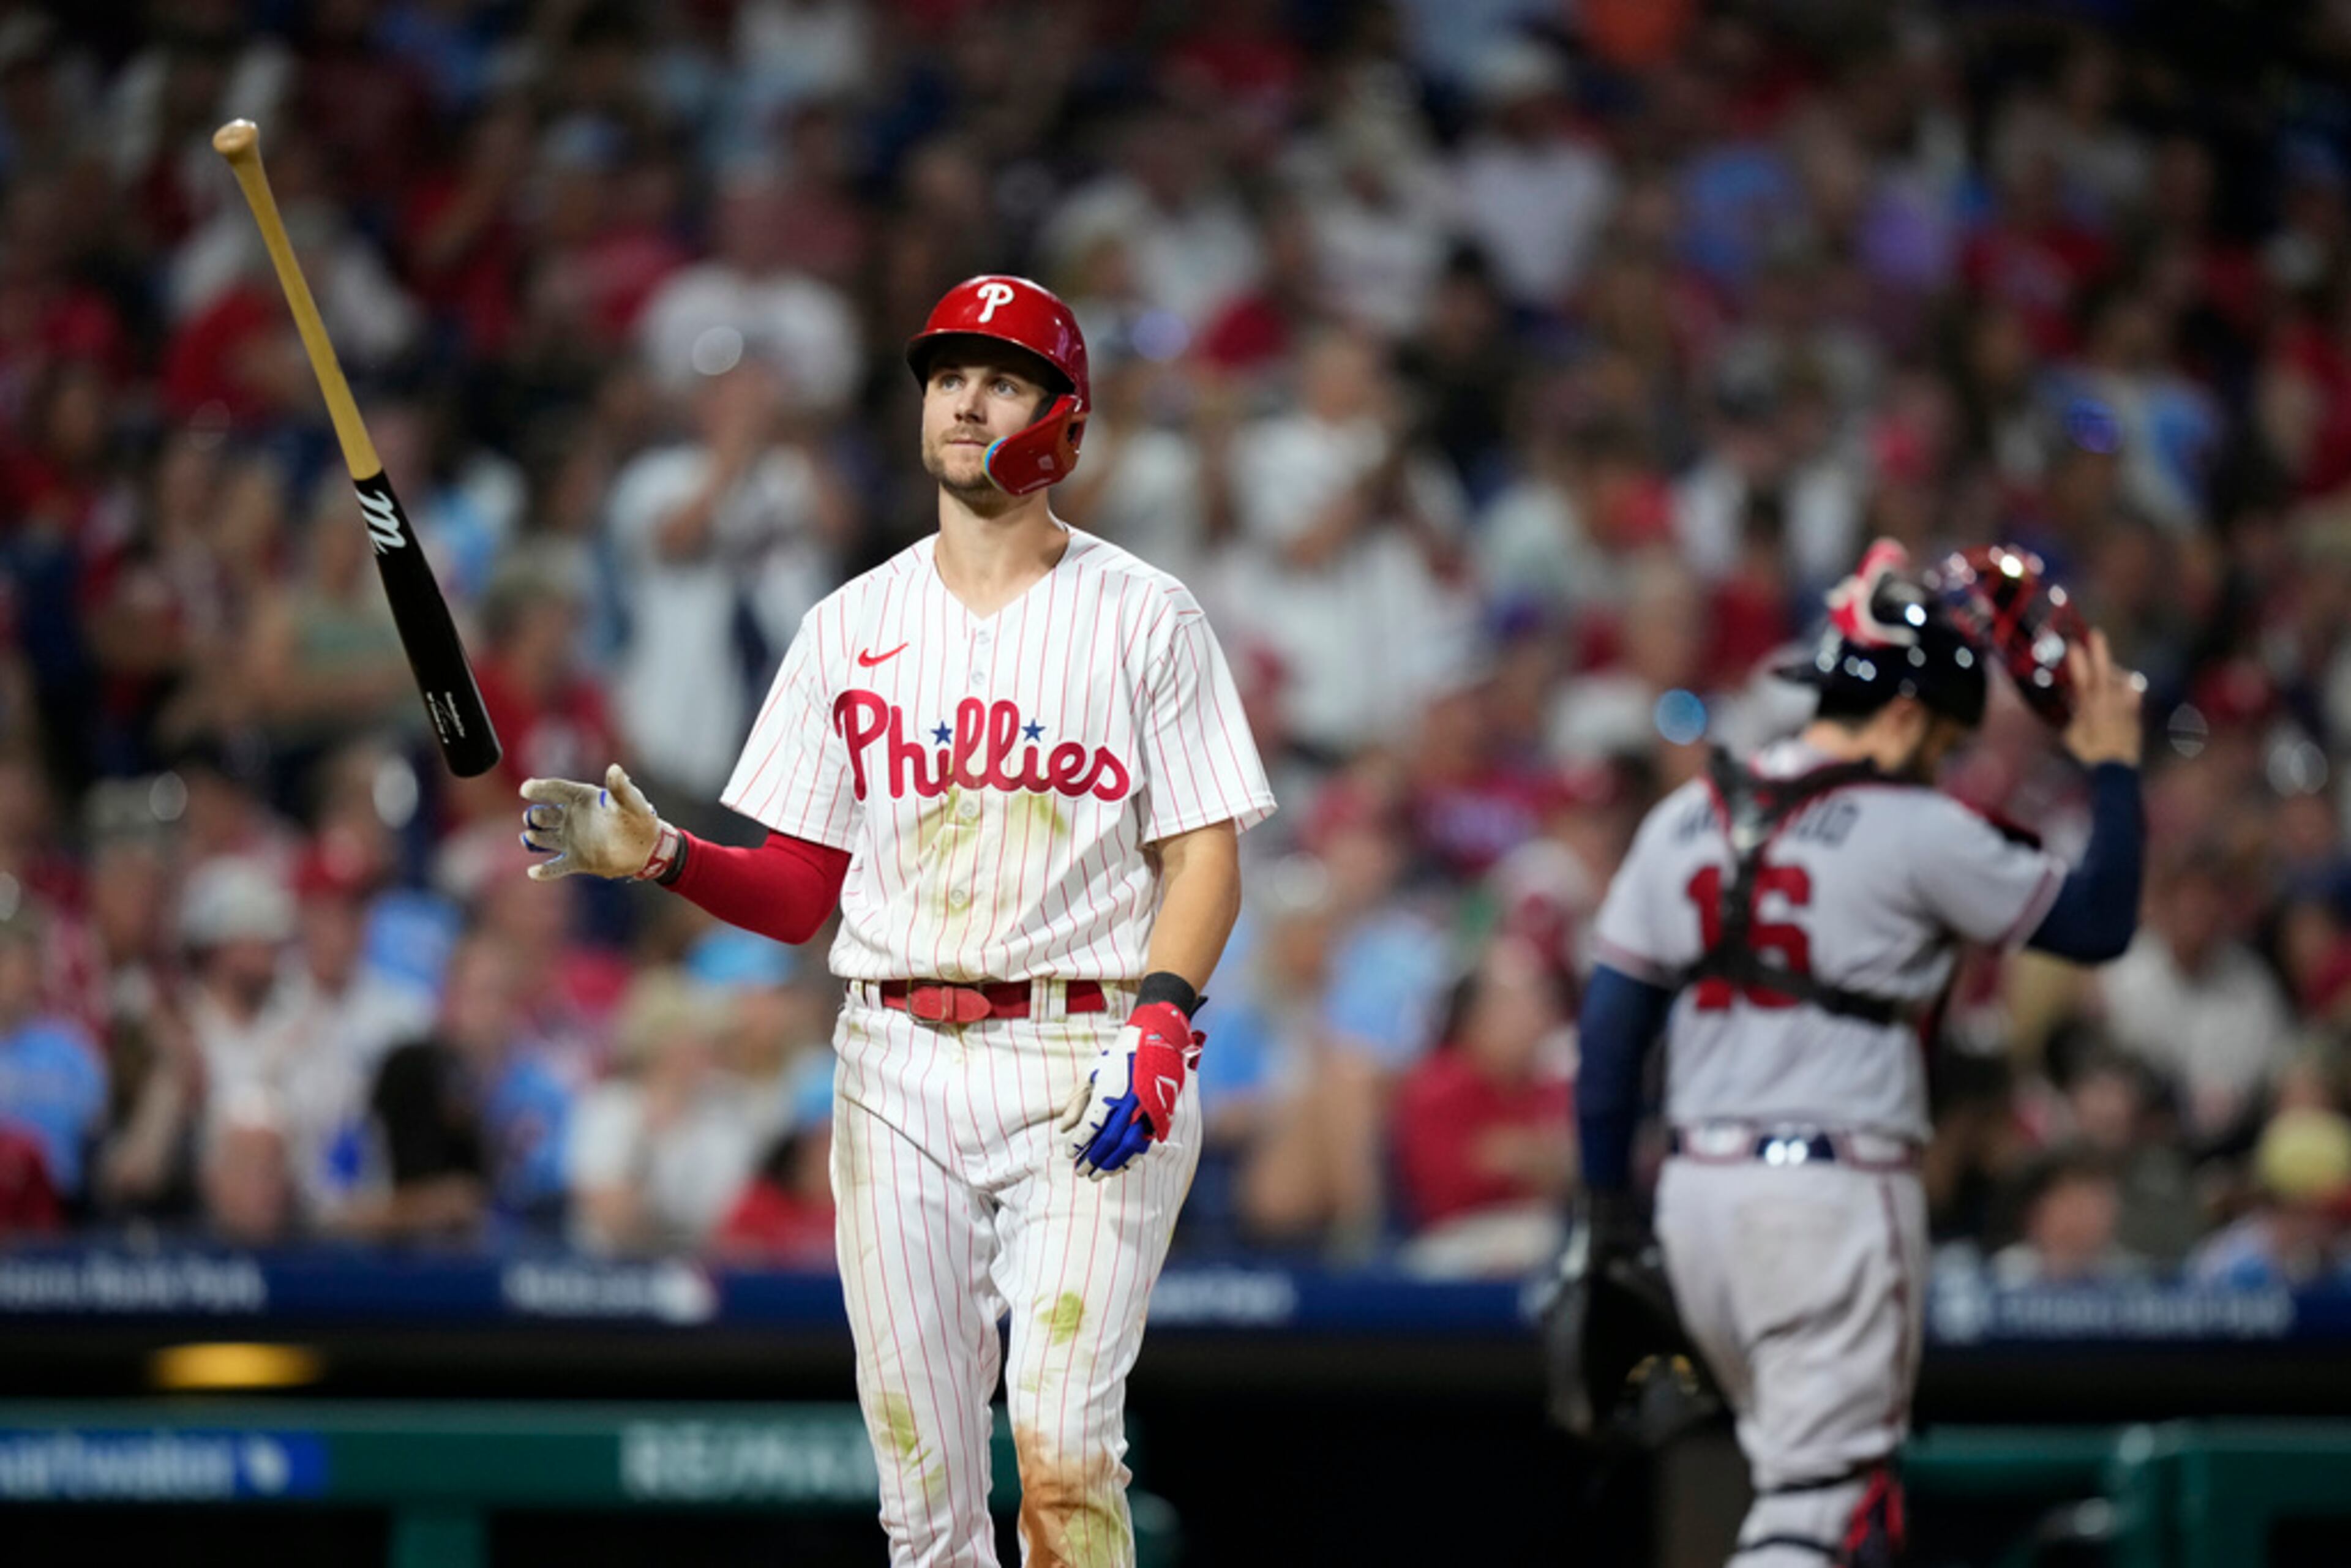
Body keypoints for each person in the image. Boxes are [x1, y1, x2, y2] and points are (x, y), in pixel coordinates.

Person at [514, 274, 1275, 1568]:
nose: (968, 397)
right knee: (921, 1501)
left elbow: (1204, 856)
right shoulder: (847, 625)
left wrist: (1162, 1018)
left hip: (1084, 1052)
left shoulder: (1148, 614)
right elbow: (803, 893)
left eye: (1005, 377)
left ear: (1065, 423)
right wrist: (662, 858)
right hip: (893, 1066)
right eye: (947, 375)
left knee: (1063, 1444)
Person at [1570, 541, 2147, 1565]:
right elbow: (2098, 920)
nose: (1946, 756)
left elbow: (1611, 1041)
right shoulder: (1918, 827)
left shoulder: (1681, 820)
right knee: (1822, 1509)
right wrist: (2110, 762)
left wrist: (1608, 1218)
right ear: (1907, 712)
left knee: (1831, 1500)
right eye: (1943, 735)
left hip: (1698, 1202)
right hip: (1829, 1201)